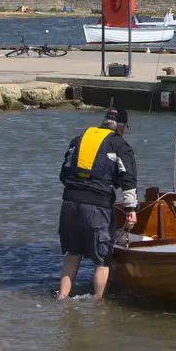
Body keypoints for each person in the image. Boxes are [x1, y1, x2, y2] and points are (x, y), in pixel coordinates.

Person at [56, 107, 138, 299]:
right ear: (122, 127)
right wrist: (131, 209)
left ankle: (62, 299)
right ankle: (99, 306)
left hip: (69, 203)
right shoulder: (119, 144)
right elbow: (129, 178)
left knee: (73, 253)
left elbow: (63, 174)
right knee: (102, 259)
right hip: (97, 207)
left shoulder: (79, 139)